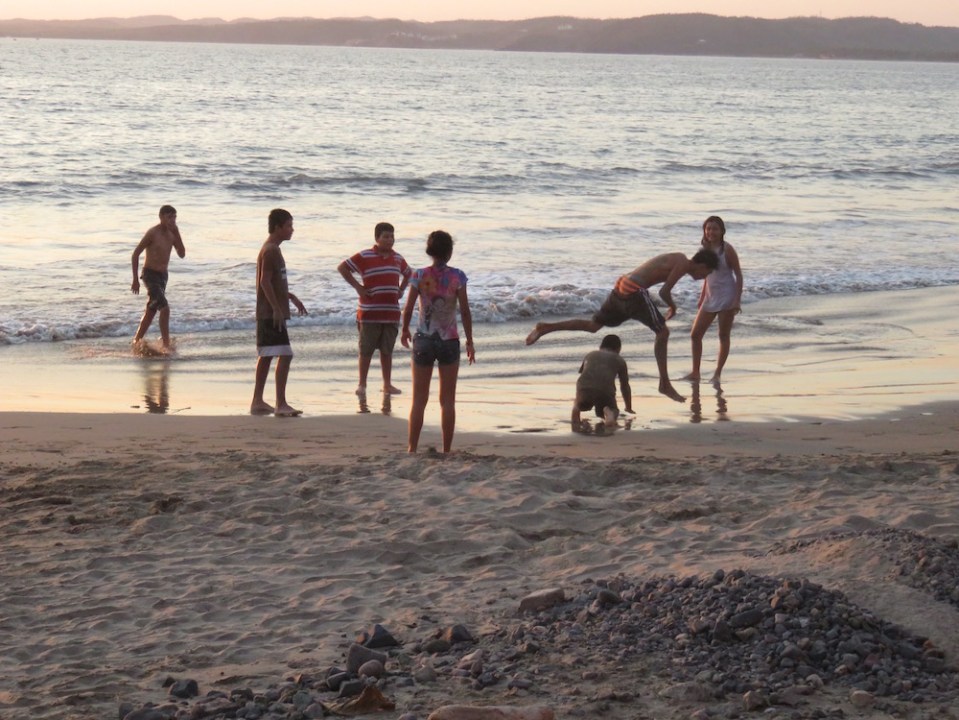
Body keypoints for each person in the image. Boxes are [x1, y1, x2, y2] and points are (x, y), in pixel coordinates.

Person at [525, 250, 718, 403]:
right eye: (707, 273)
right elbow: (664, 291)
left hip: (621, 287)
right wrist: (673, 307)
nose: (705, 277)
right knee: (663, 332)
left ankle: (545, 327)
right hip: (633, 291)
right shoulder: (683, 262)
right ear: (702, 265)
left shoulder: (677, 259)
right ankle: (664, 383)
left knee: (593, 326)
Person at [400, 230, 475, 453]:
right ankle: (447, 449)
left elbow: (409, 308)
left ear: (430, 251)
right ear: (449, 252)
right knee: (448, 401)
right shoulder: (458, 276)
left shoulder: (419, 275)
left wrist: (404, 330)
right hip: (449, 340)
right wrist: (470, 341)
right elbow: (465, 311)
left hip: (423, 339)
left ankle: (412, 448)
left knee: (418, 400)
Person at [337, 222, 411, 396]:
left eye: (392, 236)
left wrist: (401, 290)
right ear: (377, 238)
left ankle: (387, 384)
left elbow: (409, 273)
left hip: (391, 313)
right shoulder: (365, 256)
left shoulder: (398, 258)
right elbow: (343, 268)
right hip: (369, 313)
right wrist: (358, 287)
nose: (390, 240)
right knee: (366, 350)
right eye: (386, 236)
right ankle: (362, 384)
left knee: (387, 351)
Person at [250, 208, 308, 417]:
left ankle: (257, 401)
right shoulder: (271, 250)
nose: (292, 230)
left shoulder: (272, 249)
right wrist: (275, 308)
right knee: (285, 354)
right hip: (270, 313)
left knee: (266, 356)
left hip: (270, 311)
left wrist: (290, 296)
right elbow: (264, 281)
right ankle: (280, 403)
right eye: (289, 226)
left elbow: (273, 282)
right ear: (277, 227)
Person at [684, 216, 743, 385]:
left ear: (722, 231)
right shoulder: (705, 249)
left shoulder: (727, 250)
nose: (711, 232)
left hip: (727, 295)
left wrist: (737, 300)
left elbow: (738, 275)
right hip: (710, 296)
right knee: (695, 334)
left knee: (723, 335)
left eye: (715, 229)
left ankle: (717, 373)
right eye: (708, 228)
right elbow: (706, 274)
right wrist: (702, 296)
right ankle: (695, 372)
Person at [131, 204, 186, 349]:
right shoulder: (152, 233)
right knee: (164, 308)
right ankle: (166, 345)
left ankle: (136, 340)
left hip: (163, 276)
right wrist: (135, 279)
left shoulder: (173, 233)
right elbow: (135, 254)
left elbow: (182, 254)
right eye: (169, 217)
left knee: (152, 309)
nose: (172, 220)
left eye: (174, 217)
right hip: (150, 275)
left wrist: (177, 234)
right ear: (161, 217)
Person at [572, 334, 634, 430]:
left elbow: (582, 372)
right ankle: (609, 412)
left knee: (584, 404)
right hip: (604, 390)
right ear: (618, 349)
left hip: (584, 387)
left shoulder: (590, 354)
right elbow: (625, 386)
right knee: (610, 409)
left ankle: (577, 407)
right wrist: (628, 407)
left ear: (600, 346)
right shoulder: (620, 360)